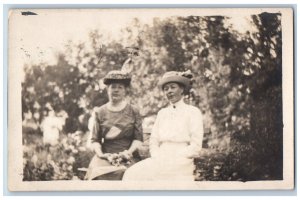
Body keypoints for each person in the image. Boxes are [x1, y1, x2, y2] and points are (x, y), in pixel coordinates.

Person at [123, 71, 204, 181]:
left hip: (182, 160)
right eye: (166, 89)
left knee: (154, 176)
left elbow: (196, 146)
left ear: (181, 89)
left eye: (173, 87)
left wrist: (175, 155)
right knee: (131, 174)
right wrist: (157, 155)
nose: (169, 91)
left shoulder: (193, 112)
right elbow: (154, 140)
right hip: (161, 157)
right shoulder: (162, 113)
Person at [85, 70, 143, 180]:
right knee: (99, 173)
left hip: (128, 155)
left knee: (129, 174)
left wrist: (128, 152)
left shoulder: (133, 110)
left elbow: (138, 139)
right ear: (107, 90)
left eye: (120, 87)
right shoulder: (100, 112)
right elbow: (95, 140)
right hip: (105, 156)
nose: (116, 90)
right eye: (113, 87)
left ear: (125, 90)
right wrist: (101, 154)